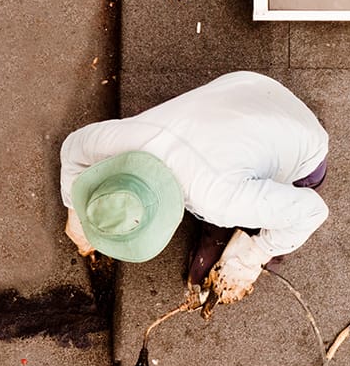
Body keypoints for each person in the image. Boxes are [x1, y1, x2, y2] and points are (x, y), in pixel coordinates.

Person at [60, 71, 329, 308]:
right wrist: (75, 210)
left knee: (266, 223)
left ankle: (251, 233)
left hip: (303, 146)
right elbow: (73, 148)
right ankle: (237, 220)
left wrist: (254, 256)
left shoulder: (216, 199)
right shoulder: (119, 141)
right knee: (223, 217)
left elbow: (312, 211)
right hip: (248, 88)